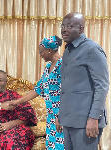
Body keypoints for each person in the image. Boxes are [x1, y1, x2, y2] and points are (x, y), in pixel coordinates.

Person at [58, 12, 109, 150]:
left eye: (69, 26)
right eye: (62, 26)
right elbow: (67, 87)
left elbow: (102, 86)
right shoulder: (68, 51)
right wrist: (61, 116)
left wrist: (93, 118)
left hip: (86, 122)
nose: (64, 29)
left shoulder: (92, 49)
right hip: (69, 120)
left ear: (80, 29)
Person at [10, 36, 65, 150]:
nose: (40, 54)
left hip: (62, 116)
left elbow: (68, 92)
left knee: (61, 147)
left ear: (49, 50)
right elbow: (38, 89)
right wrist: (18, 101)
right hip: (51, 117)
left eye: (41, 51)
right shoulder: (48, 67)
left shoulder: (63, 65)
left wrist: (62, 116)